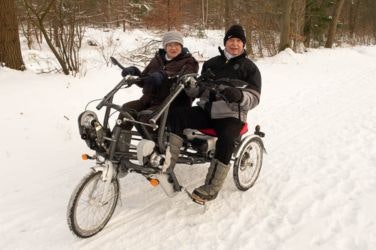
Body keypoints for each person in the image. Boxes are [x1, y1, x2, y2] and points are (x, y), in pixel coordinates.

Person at [166, 24, 262, 203]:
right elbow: (200, 92)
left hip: (231, 116)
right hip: (207, 110)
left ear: (243, 45)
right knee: (176, 116)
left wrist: (240, 95)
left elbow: (255, 97)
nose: (234, 44)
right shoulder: (212, 64)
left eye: (238, 41)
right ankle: (167, 167)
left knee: (226, 139)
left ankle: (211, 187)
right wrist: (192, 88)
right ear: (225, 42)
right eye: (231, 40)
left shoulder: (250, 69)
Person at [116, 31, 199, 152]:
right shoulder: (157, 59)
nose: (173, 48)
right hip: (149, 100)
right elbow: (144, 80)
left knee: (146, 118)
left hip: (172, 103)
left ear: (181, 46)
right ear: (165, 47)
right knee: (127, 109)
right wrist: (135, 72)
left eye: (177, 44)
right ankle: (119, 149)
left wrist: (164, 75)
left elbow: (184, 77)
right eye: (170, 45)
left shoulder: (190, 62)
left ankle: (155, 153)